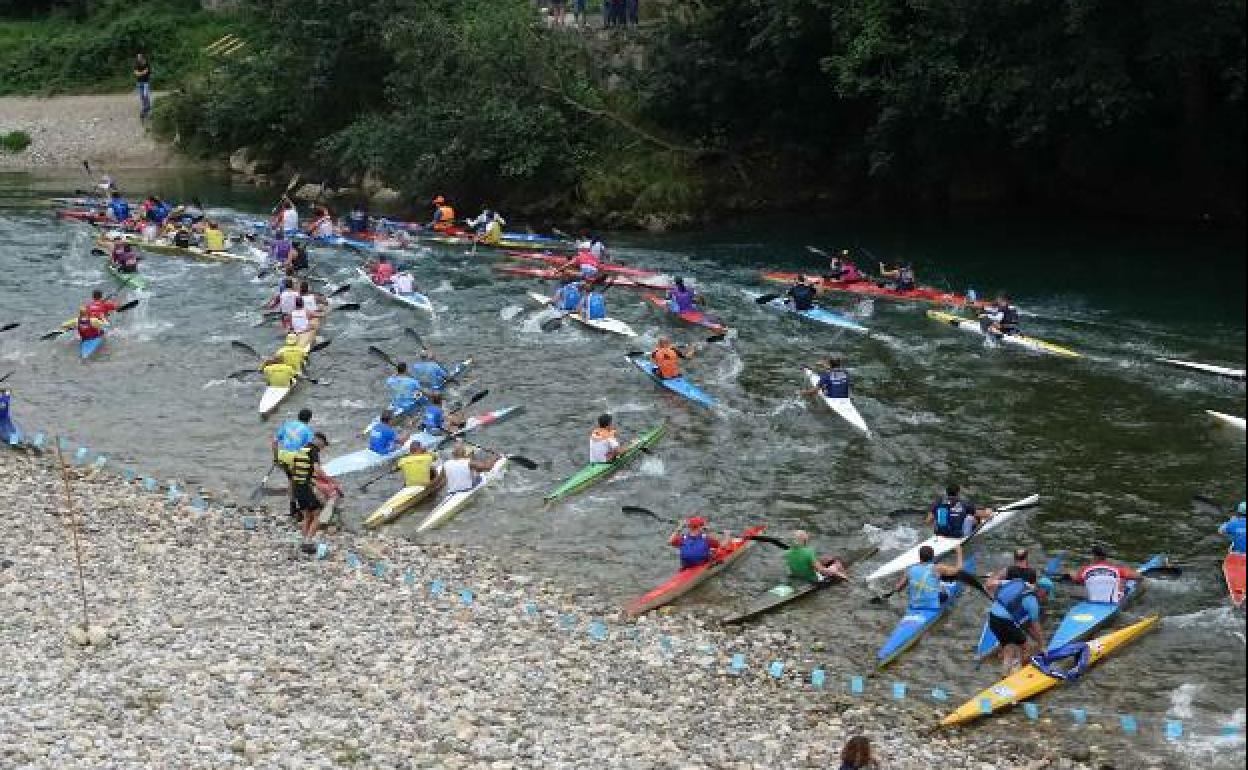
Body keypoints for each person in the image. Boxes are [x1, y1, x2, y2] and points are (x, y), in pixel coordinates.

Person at [985, 573, 1053, 672]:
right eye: (1047, 594)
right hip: (1004, 622)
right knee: (1027, 648)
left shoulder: (1018, 582)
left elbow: (990, 585)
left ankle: (1005, 673)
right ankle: (1021, 673)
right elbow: (1035, 627)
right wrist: (1042, 646)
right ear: (1042, 590)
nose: (1046, 598)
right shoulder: (1033, 603)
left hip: (992, 618)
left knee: (1008, 647)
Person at [280, 431, 329, 544]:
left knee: (307, 515)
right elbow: (316, 469)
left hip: (296, 486)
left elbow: (294, 468)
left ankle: (304, 540)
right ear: (318, 440)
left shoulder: (301, 448)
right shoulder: (313, 450)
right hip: (304, 486)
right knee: (318, 514)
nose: (323, 447)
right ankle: (308, 540)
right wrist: (330, 480)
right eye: (323, 444)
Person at [893, 544, 964, 611]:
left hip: (915, 605)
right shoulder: (938, 568)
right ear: (933, 557)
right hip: (932, 605)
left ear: (919, 557)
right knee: (944, 589)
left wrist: (898, 586)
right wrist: (959, 552)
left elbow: (898, 588)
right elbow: (958, 570)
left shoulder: (910, 569)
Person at [1068, 546, 1143, 603]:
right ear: (1105, 557)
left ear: (1094, 556)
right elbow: (1138, 577)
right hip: (1112, 603)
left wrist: (1069, 573)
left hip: (1093, 602)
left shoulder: (1085, 570)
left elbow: (1075, 578)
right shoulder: (1116, 569)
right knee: (1122, 580)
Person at [925, 484, 993, 539]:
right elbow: (981, 514)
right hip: (957, 536)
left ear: (946, 493)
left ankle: (942, 531)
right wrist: (988, 512)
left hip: (939, 534)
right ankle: (971, 532)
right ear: (958, 493)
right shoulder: (964, 504)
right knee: (970, 517)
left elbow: (928, 521)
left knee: (940, 515)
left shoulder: (937, 503)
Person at [785, 531, 850, 582]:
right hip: (812, 578)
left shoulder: (788, 552)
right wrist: (837, 573)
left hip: (797, 575)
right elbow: (821, 570)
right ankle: (846, 575)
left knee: (825, 559)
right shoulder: (809, 552)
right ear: (804, 540)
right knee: (837, 563)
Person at [134, 53, 151, 119]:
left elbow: (146, 72)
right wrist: (142, 72)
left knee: (146, 96)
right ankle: (145, 111)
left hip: (146, 83)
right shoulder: (136, 64)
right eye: (138, 57)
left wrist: (140, 73)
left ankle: (146, 111)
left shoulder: (147, 64)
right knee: (142, 97)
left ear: (142, 57)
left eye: (139, 57)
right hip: (139, 83)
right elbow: (136, 74)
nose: (138, 58)